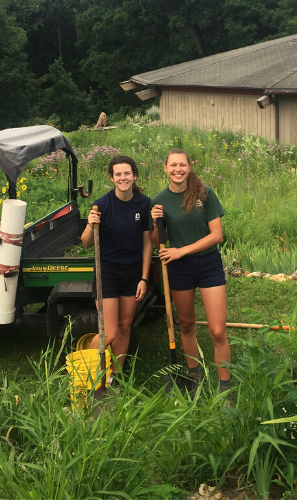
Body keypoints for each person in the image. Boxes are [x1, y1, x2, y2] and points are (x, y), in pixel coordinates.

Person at [150, 148, 231, 397]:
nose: (178, 169)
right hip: (179, 269)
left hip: (208, 264)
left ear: (189, 166)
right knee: (186, 324)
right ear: (165, 168)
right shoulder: (159, 201)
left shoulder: (204, 194)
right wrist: (154, 222)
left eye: (182, 165)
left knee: (217, 330)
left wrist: (182, 250)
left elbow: (216, 236)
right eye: (173, 165)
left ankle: (225, 387)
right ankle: (194, 376)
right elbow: (157, 241)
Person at [81, 155, 152, 379]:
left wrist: (144, 278)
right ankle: (87, 375)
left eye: (127, 173)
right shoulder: (102, 205)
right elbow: (85, 242)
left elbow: (148, 242)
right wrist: (92, 225)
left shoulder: (143, 203)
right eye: (118, 174)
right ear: (112, 178)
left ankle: (114, 377)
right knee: (108, 332)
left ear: (134, 175)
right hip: (108, 272)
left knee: (124, 327)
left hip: (132, 273)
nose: (123, 178)